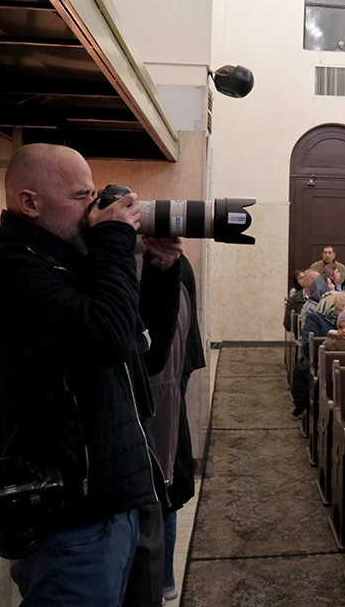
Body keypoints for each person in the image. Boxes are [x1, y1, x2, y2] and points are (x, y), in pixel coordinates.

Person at [0, 143, 183, 604]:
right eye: (82, 197)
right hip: (71, 522)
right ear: (30, 202)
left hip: (117, 501)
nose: (94, 208)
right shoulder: (12, 269)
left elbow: (143, 355)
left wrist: (161, 270)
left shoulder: (67, 269)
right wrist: (114, 242)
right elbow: (108, 334)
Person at [145, 255, 205, 605]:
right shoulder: (170, 260)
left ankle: (162, 580)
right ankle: (162, 580)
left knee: (162, 477)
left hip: (165, 371)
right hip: (168, 368)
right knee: (163, 476)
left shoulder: (168, 263)